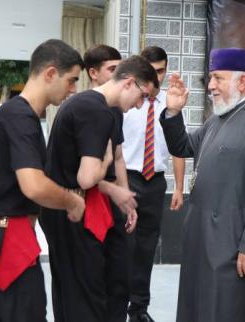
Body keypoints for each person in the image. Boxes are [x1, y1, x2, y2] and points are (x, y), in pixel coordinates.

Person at [160, 48, 245, 322]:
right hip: (202, 239)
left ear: (242, 81)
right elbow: (183, 146)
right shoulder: (217, 120)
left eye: (218, 78)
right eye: (211, 78)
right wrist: (173, 112)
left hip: (233, 245)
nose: (211, 86)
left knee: (227, 311)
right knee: (197, 309)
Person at [0, 39, 86, 322]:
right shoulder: (21, 117)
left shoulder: (18, 115)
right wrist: (72, 201)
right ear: (49, 74)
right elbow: (32, 185)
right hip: (7, 237)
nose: (73, 89)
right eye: (71, 80)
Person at [40, 55, 159, 322]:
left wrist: (119, 194)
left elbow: (110, 162)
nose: (140, 105)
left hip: (72, 207)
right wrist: (111, 178)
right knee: (82, 297)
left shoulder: (92, 106)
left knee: (82, 291)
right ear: (129, 83)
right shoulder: (96, 110)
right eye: (143, 96)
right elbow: (87, 177)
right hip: (71, 209)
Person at [123, 46, 186, 322]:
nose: (156, 76)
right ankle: (115, 303)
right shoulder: (128, 103)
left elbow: (178, 149)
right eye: (151, 70)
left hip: (155, 183)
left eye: (161, 70)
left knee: (147, 248)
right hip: (127, 179)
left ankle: (138, 309)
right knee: (124, 246)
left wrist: (180, 188)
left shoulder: (170, 105)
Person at [83, 44, 138, 322]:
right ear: (93, 73)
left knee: (120, 277)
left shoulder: (114, 111)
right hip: (87, 203)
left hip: (111, 200)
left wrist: (126, 199)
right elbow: (87, 175)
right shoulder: (86, 109)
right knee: (94, 279)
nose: (118, 75)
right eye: (112, 69)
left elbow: (118, 157)